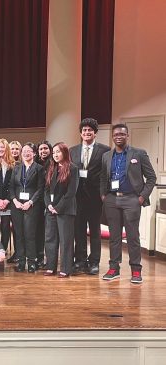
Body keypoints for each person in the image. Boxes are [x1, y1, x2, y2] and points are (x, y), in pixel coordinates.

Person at [100, 123, 157, 284]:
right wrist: (103, 196)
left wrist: (141, 197)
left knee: (133, 237)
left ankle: (136, 270)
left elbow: (151, 177)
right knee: (114, 237)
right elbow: (103, 178)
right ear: (112, 137)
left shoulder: (138, 153)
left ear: (127, 136)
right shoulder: (106, 156)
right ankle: (114, 268)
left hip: (132, 199)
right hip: (112, 199)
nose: (119, 136)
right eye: (116, 134)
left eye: (122, 134)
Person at [69, 118, 110, 275]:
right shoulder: (72, 150)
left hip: (95, 199)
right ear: (80, 133)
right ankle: (80, 260)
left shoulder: (105, 150)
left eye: (90, 130)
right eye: (84, 130)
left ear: (95, 133)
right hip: (77, 198)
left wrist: (103, 195)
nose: (87, 132)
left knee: (94, 231)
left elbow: (107, 174)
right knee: (78, 231)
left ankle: (94, 262)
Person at [43, 143, 79, 278]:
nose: (55, 155)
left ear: (64, 152)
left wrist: (58, 207)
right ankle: (50, 267)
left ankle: (65, 268)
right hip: (51, 209)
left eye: (58, 152)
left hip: (65, 210)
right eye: (54, 153)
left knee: (65, 240)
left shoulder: (73, 168)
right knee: (50, 239)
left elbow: (71, 192)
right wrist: (49, 205)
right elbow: (46, 190)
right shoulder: (51, 167)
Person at [9, 142, 44, 272]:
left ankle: (32, 262)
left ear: (34, 153)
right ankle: (21, 262)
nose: (26, 153)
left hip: (31, 206)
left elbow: (41, 188)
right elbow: (11, 187)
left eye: (29, 150)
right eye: (24, 150)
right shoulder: (17, 168)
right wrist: (15, 201)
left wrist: (30, 202)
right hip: (17, 206)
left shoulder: (39, 168)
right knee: (19, 234)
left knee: (30, 234)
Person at [35, 140, 53, 269]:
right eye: (41, 149)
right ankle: (39, 256)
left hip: (50, 201)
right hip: (37, 201)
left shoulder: (53, 163)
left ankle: (50, 259)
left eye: (45, 148)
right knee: (38, 231)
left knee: (49, 232)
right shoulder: (35, 164)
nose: (43, 151)